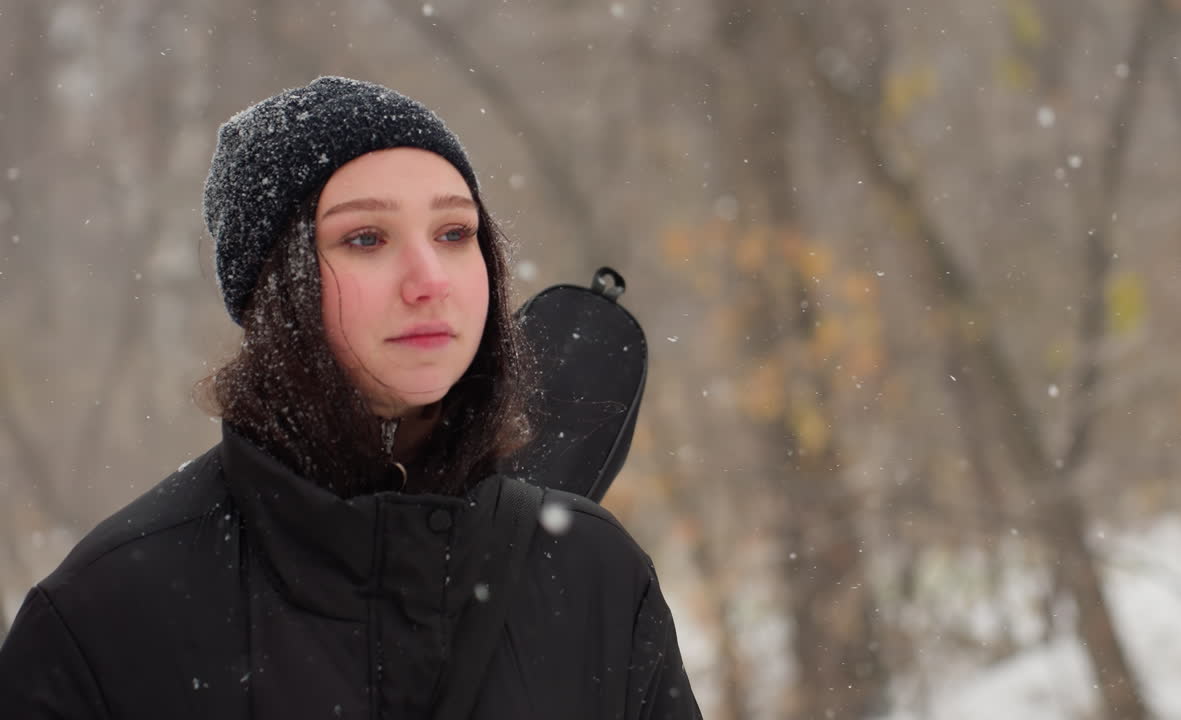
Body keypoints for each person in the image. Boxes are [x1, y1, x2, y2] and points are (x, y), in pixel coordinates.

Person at [0, 76, 701, 719]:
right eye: (366, 238)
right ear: (278, 290)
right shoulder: (105, 616)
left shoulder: (598, 576)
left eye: (454, 233)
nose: (430, 279)